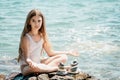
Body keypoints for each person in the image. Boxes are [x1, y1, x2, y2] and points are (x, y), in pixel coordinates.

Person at [18, 9, 79, 76]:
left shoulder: (42, 36)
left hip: (38, 64)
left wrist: (68, 52)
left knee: (64, 57)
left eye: (39, 21)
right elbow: (27, 58)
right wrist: (29, 61)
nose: (37, 24)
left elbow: (50, 53)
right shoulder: (26, 38)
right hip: (27, 67)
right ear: (29, 22)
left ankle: (45, 69)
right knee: (35, 67)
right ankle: (57, 69)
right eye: (33, 21)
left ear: (42, 21)